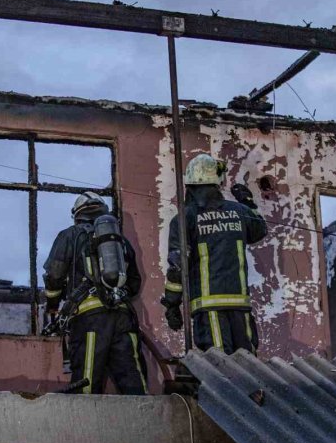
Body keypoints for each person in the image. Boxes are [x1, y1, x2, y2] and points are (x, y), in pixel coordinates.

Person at [42, 192, 148, 395]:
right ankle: (147, 422)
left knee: (86, 383)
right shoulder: (121, 242)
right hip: (123, 318)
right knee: (133, 381)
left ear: (77, 214)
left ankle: (83, 427)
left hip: (89, 320)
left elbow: (54, 276)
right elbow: (134, 283)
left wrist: (52, 304)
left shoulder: (69, 235)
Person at [161, 154, 267, 354]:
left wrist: (172, 305)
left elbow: (177, 267)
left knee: (219, 368)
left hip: (208, 309)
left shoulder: (185, 218)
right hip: (240, 308)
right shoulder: (239, 211)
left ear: (190, 185)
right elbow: (259, 230)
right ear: (217, 183)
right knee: (248, 367)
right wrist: (248, 203)